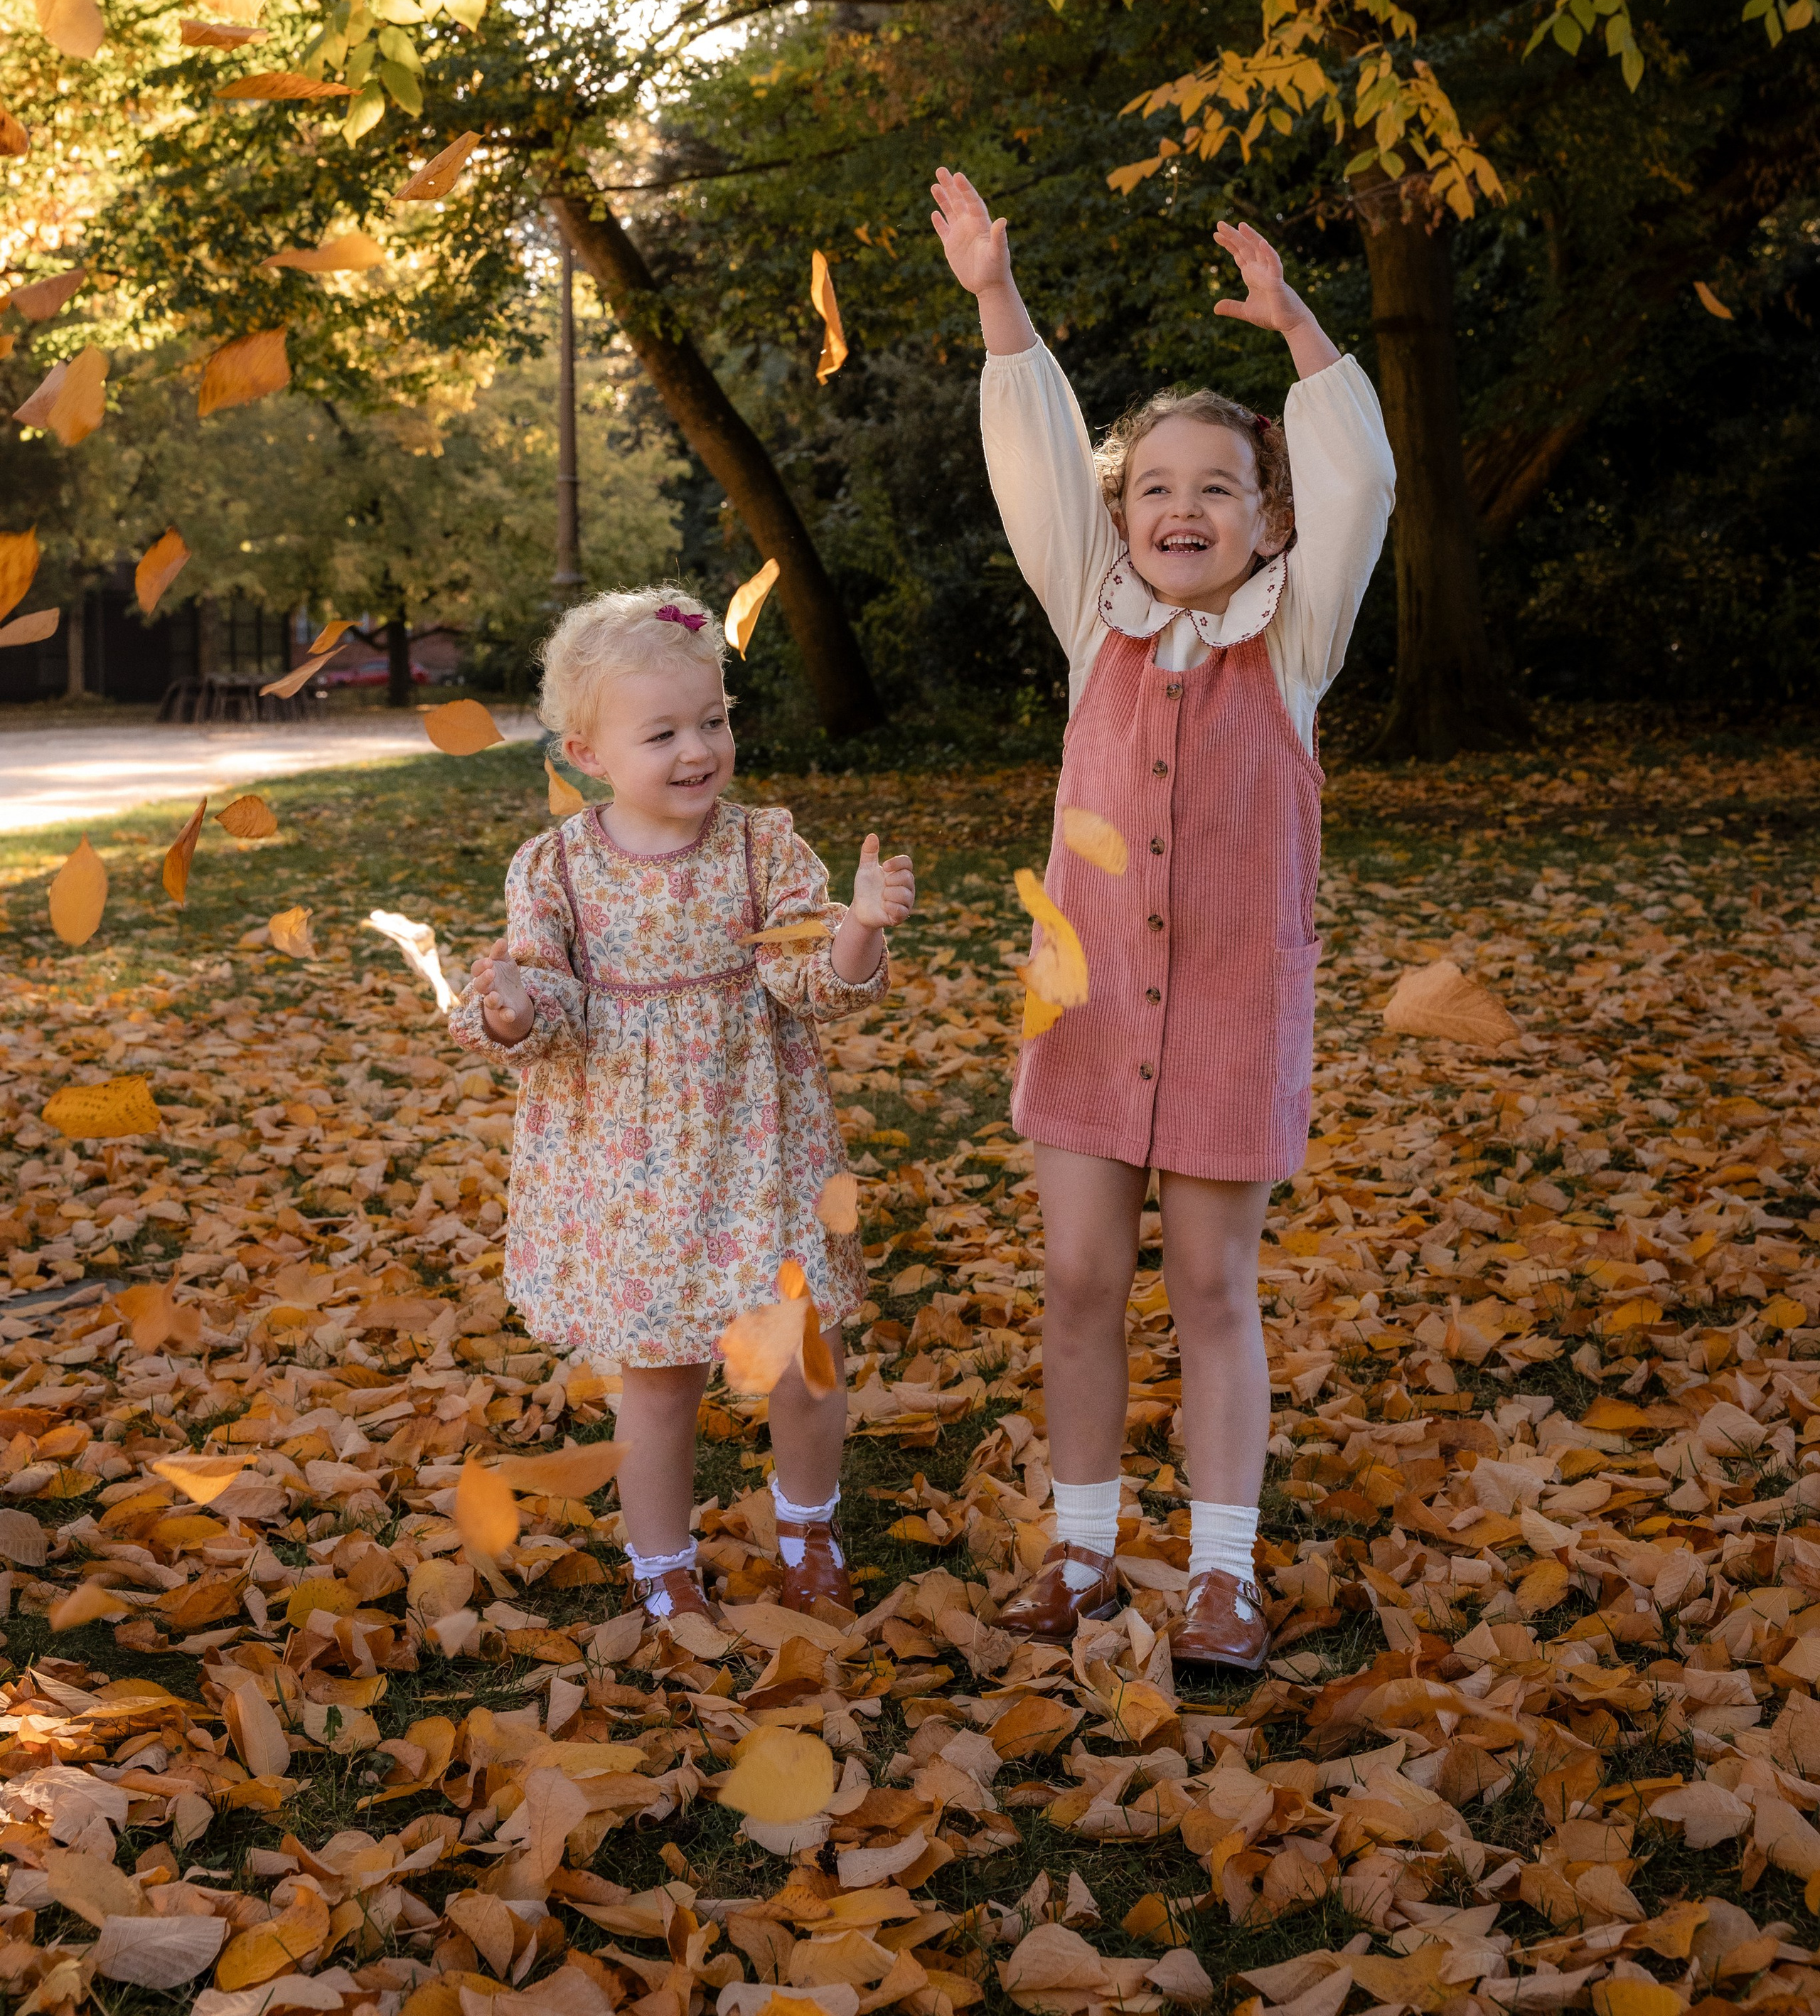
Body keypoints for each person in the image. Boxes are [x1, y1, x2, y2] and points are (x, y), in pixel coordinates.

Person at [930, 167, 1395, 1669]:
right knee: (1078, 1278)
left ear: (1268, 521)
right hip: (1085, 1007)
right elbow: (1035, 467)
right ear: (1119, 517)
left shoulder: (1296, 640)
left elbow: (1362, 486)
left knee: (1208, 1284)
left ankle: (1220, 1573)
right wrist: (998, 298)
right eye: (1153, 488)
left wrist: (1303, 333)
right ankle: (1078, 1549)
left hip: (1230, 1018)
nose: (1180, 509)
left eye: (1216, 488)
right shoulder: (1095, 618)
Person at [450, 584, 914, 1623]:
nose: (698, 749)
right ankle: (661, 1568)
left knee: (800, 1353)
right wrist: (516, 1008)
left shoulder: (762, 849)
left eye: (713, 720)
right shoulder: (556, 870)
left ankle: (809, 1531)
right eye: (662, 733)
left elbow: (810, 979)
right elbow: (550, 1005)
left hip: (760, 1143)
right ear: (588, 754)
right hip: (629, 1162)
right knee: (660, 1378)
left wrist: (858, 928)